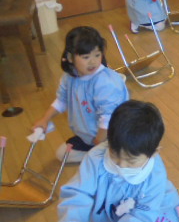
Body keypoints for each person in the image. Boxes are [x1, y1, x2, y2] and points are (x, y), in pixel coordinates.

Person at [54, 100, 179, 222]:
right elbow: (78, 193)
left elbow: (144, 216)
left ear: (154, 152)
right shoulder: (95, 159)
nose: (121, 165)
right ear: (109, 141)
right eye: (115, 155)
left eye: (131, 161)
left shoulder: (155, 173)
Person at [33, 27, 129, 163]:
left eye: (97, 55)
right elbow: (62, 100)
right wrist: (45, 119)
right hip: (88, 136)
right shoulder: (69, 77)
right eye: (86, 57)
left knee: (109, 153)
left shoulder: (105, 82)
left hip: (108, 136)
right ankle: (105, 155)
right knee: (62, 155)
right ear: (70, 57)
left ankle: (113, 153)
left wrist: (98, 143)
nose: (93, 62)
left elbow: (108, 119)